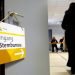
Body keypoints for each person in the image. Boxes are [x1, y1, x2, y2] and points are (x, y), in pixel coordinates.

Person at [61, 2, 75, 74]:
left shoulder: (67, 13)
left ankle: (73, 69)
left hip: (70, 34)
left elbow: (63, 25)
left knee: (71, 51)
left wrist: (69, 28)